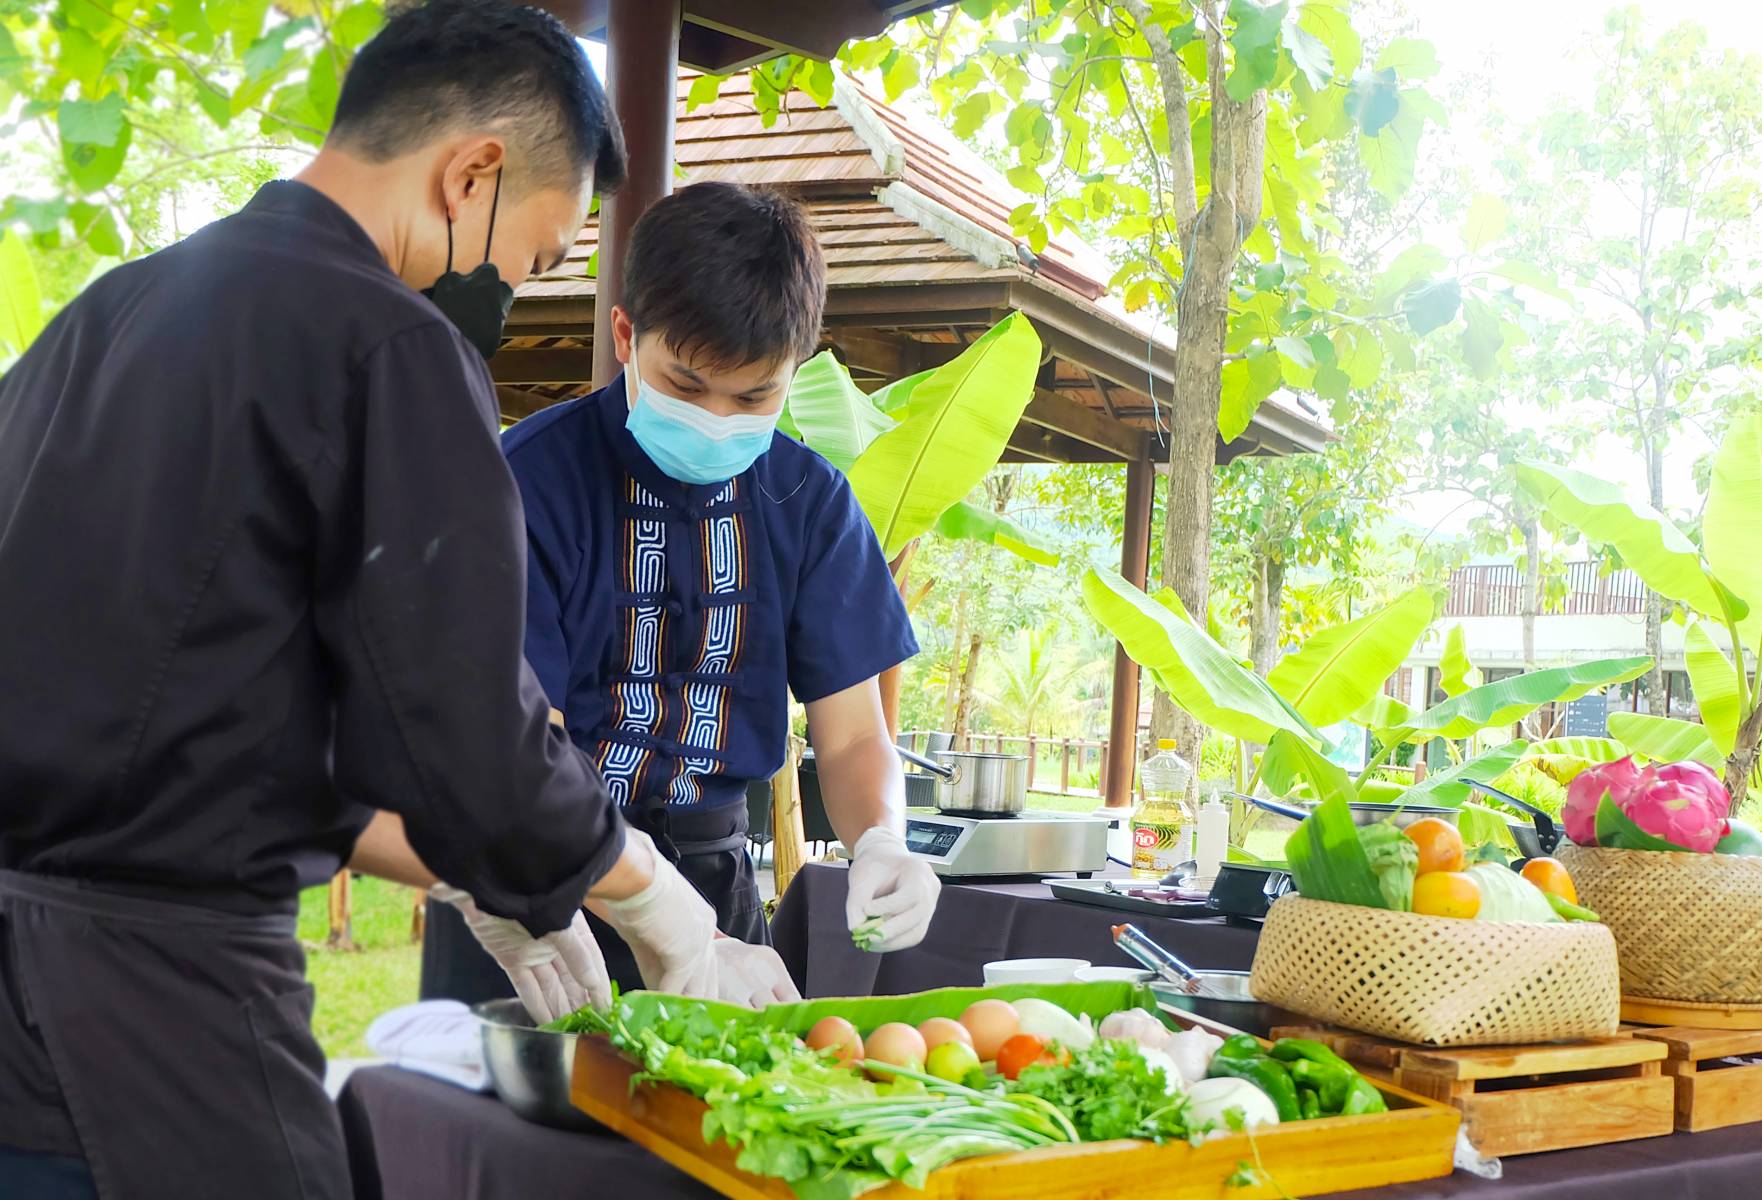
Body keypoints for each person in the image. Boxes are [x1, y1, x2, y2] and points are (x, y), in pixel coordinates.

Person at [0, 4, 724, 1197]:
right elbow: (459, 722)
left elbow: (194, 713)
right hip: (160, 1027)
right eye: (536, 258)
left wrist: (477, 869)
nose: (511, 297)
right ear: (471, 173)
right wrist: (648, 895)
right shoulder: (387, 342)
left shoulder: (102, 317)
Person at [421, 181, 943, 1010]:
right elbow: (523, 755)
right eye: (688, 385)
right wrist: (647, 904)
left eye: (754, 397)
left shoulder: (810, 503)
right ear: (626, 335)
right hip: (538, 888)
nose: (717, 419)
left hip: (718, 892)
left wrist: (883, 839)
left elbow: (850, 741)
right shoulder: (523, 484)